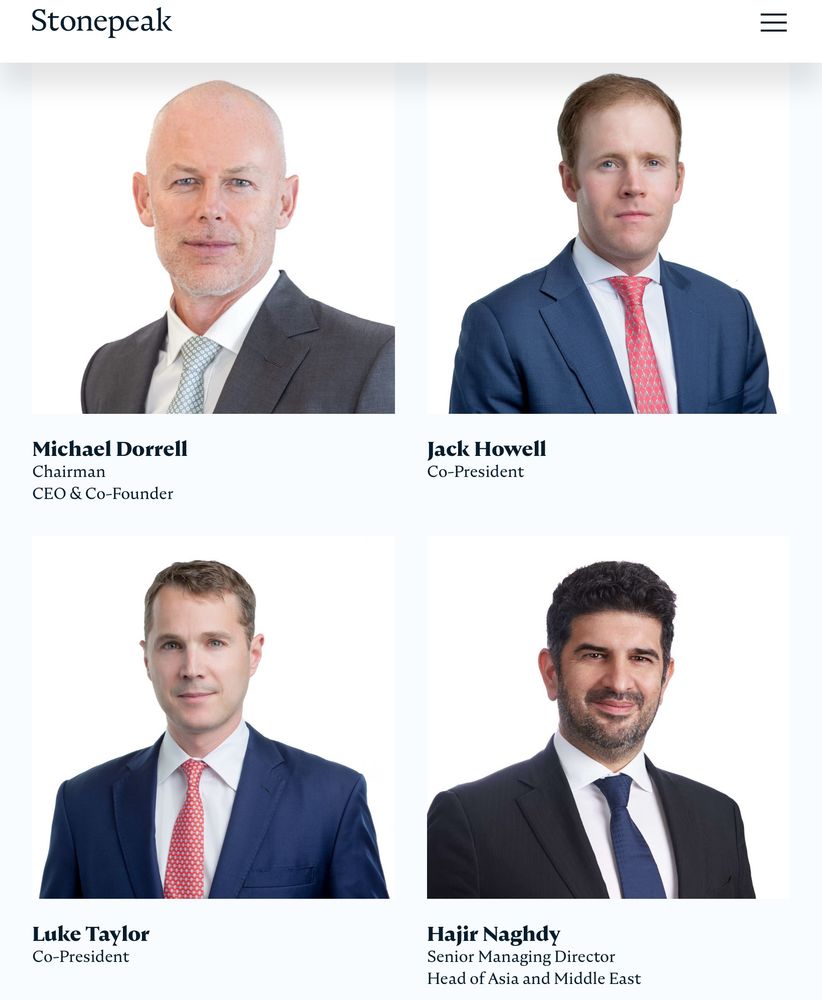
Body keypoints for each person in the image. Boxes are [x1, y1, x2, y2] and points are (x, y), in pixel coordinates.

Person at [41, 560, 388, 898]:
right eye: (172, 645)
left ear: (253, 654)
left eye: (215, 643)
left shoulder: (333, 798)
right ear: (147, 659)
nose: (192, 668)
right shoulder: (82, 803)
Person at [427, 561, 755, 898]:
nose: (619, 682)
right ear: (552, 671)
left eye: (641, 658)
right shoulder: (472, 819)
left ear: (665, 676)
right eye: (595, 655)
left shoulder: (718, 816)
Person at [449, 74, 775, 413]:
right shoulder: (503, 325)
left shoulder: (729, 313)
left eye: (652, 162)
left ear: (677, 181)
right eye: (609, 163)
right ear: (570, 180)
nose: (634, 186)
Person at [82, 81, 394, 413]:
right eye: (186, 181)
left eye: (240, 182)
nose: (210, 208)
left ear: (284, 203)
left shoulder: (373, 362)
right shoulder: (107, 371)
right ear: (144, 200)